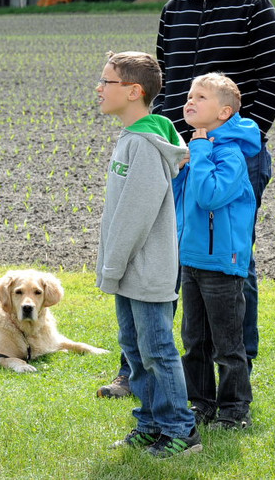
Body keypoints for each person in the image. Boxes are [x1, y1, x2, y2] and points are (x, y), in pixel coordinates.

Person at [97, 0, 275, 398]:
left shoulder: (254, 7)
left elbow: (273, 81)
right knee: (157, 255)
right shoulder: (173, 9)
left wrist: (234, 143)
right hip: (174, 157)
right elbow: (163, 84)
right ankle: (140, 369)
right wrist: (166, 141)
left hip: (230, 158)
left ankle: (235, 376)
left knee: (232, 261)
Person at [95, 51, 202, 458]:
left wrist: (112, 265)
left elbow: (134, 215)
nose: (99, 88)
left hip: (145, 268)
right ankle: (150, 422)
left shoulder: (143, 145)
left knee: (156, 349)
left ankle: (180, 430)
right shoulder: (132, 138)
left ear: (133, 91)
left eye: (107, 81)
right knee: (135, 349)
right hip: (129, 268)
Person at [174, 73, 259, 430]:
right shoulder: (199, 149)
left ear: (224, 112)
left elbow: (210, 196)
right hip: (191, 259)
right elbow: (182, 201)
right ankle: (201, 403)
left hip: (222, 264)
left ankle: (235, 409)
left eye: (201, 97)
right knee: (194, 340)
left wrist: (199, 151)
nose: (190, 101)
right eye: (190, 95)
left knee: (227, 343)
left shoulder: (229, 154)